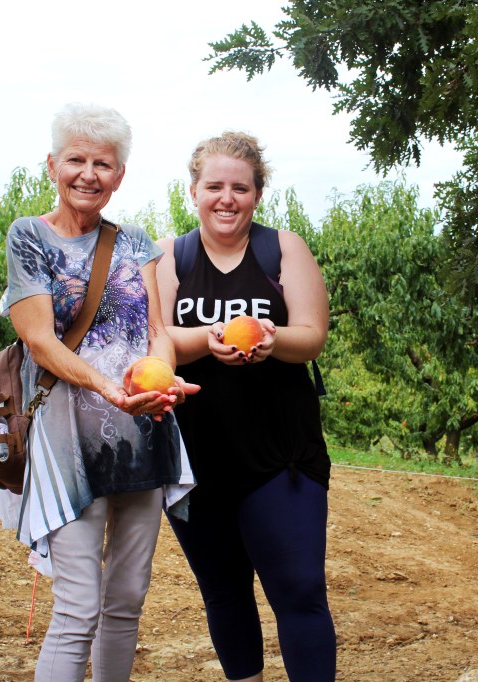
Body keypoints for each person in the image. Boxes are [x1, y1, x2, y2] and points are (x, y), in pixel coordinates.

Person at [1, 102, 197, 682]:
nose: (89, 174)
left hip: (142, 432)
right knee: (78, 607)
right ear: (52, 166)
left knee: (127, 598)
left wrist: (163, 379)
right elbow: (39, 340)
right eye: (76, 160)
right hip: (68, 440)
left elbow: (157, 332)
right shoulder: (29, 237)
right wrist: (108, 387)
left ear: (120, 175)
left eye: (103, 164)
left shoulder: (135, 242)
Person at [156, 131, 336, 682]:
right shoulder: (171, 255)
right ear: (193, 191)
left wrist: (270, 340)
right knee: (224, 591)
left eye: (240, 187)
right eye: (214, 186)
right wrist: (207, 339)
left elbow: (312, 334)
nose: (226, 199)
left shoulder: (282, 248)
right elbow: (157, 337)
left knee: (299, 590)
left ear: (257, 193)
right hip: (197, 457)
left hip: (281, 455)